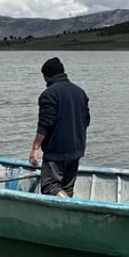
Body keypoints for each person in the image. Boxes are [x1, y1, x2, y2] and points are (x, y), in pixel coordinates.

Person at [29, 57, 91, 197]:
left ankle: (70, 204)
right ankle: (68, 206)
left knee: (49, 186)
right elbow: (86, 121)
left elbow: (45, 124)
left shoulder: (49, 94)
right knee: (67, 187)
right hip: (76, 150)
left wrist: (35, 148)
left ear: (47, 76)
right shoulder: (80, 92)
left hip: (56, 152)